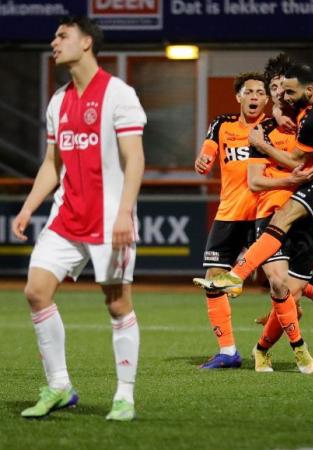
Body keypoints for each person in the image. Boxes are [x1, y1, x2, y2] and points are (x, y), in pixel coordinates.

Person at [11, 16, 146, 421]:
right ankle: (59, 386)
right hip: (65, 217)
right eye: (54, 35)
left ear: (87, 43)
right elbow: (53, 163)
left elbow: (135, 157)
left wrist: (125, 211)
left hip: (109, 219)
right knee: (36, 291)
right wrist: (29, 206)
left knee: (117, 303)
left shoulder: (119, 94)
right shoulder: (58, 101)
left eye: (62, 35)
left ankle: (124, 395)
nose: (54, 42)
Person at [194, 63, 313, 371]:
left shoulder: (302, 121)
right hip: (239, 211)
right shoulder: (253, 131)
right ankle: (229, 351)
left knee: (281, 284)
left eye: (267, 90)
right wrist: (205, 158)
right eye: (254, 91)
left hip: (288, 210)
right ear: (239, 97)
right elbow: (253, 179)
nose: (263, 95)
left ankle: (272, 341)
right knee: (218, 282)